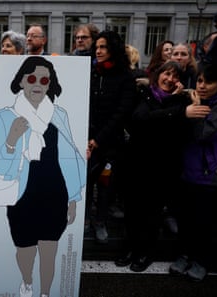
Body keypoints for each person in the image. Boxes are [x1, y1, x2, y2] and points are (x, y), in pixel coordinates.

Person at [0, 56, 86, 297]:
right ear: (21, 81)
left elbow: (69, 158)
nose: (38, 84)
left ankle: (44, 292)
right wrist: (11, 139)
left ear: (49, 84)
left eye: (44, 79)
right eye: (32, 78)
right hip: (22, 194)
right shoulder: (5, 116)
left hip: (55, 192)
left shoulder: (59, 114)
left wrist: (73, 198)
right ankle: (27, 282)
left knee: (49, 248)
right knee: (25, 248)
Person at [115, 61, 210, 272]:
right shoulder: (145, 93)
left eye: (175, 76)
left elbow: (178, 133)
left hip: (163, 169)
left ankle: (145, 252)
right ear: (158, 75)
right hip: (136, 165)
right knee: (132, 211)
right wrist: (176, 113)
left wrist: (176, 105)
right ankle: (130, 249)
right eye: (166, 74)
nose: (169, 79)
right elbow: (139, 119)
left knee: (152, 214)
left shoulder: (183, 101)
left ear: (181, 81)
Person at [169, 64, 217, 281]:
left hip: (212, 174)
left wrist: (194, 110)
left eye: (207, 82)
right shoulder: (198, 101)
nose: (201, 86)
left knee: (207, 222)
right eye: (199, 81)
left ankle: (203, 261)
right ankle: (185, 255)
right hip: (189, 171)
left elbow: (203, 134)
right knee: (187, 218)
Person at [86, 30, 136, 244]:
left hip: (110, 144)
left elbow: (121, 112)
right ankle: (85, 220)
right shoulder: (91, 72)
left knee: (106, 186)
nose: (98, 50)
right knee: (86, 182)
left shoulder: (125, 76)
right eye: (97, 46)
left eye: (103, 46)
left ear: (113, 48)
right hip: (87, 141)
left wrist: (99, 138)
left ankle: (100, 222)